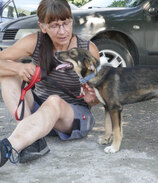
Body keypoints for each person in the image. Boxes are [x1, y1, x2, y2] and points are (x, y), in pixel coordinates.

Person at [0, 0, 100, 167]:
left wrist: (93, 99)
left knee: (54, 101)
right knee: (7, 74)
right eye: (54, 25)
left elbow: (100, 96)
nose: (62, 31)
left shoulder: (88, 49)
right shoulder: (35, 41)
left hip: (76, 120)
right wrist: (18, 68)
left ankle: (8, 147)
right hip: (39, 114)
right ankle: (32, 140)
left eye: (66, 23)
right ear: (42, 26)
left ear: (71, 21)